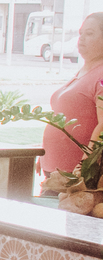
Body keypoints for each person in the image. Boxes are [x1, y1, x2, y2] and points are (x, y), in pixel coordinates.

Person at [42, 12, 103, 180]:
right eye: (81, 33)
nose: (81, 39)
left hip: (76, 176)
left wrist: (85, 165)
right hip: (54, 170)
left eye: (89, 34)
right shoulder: (83, 72)